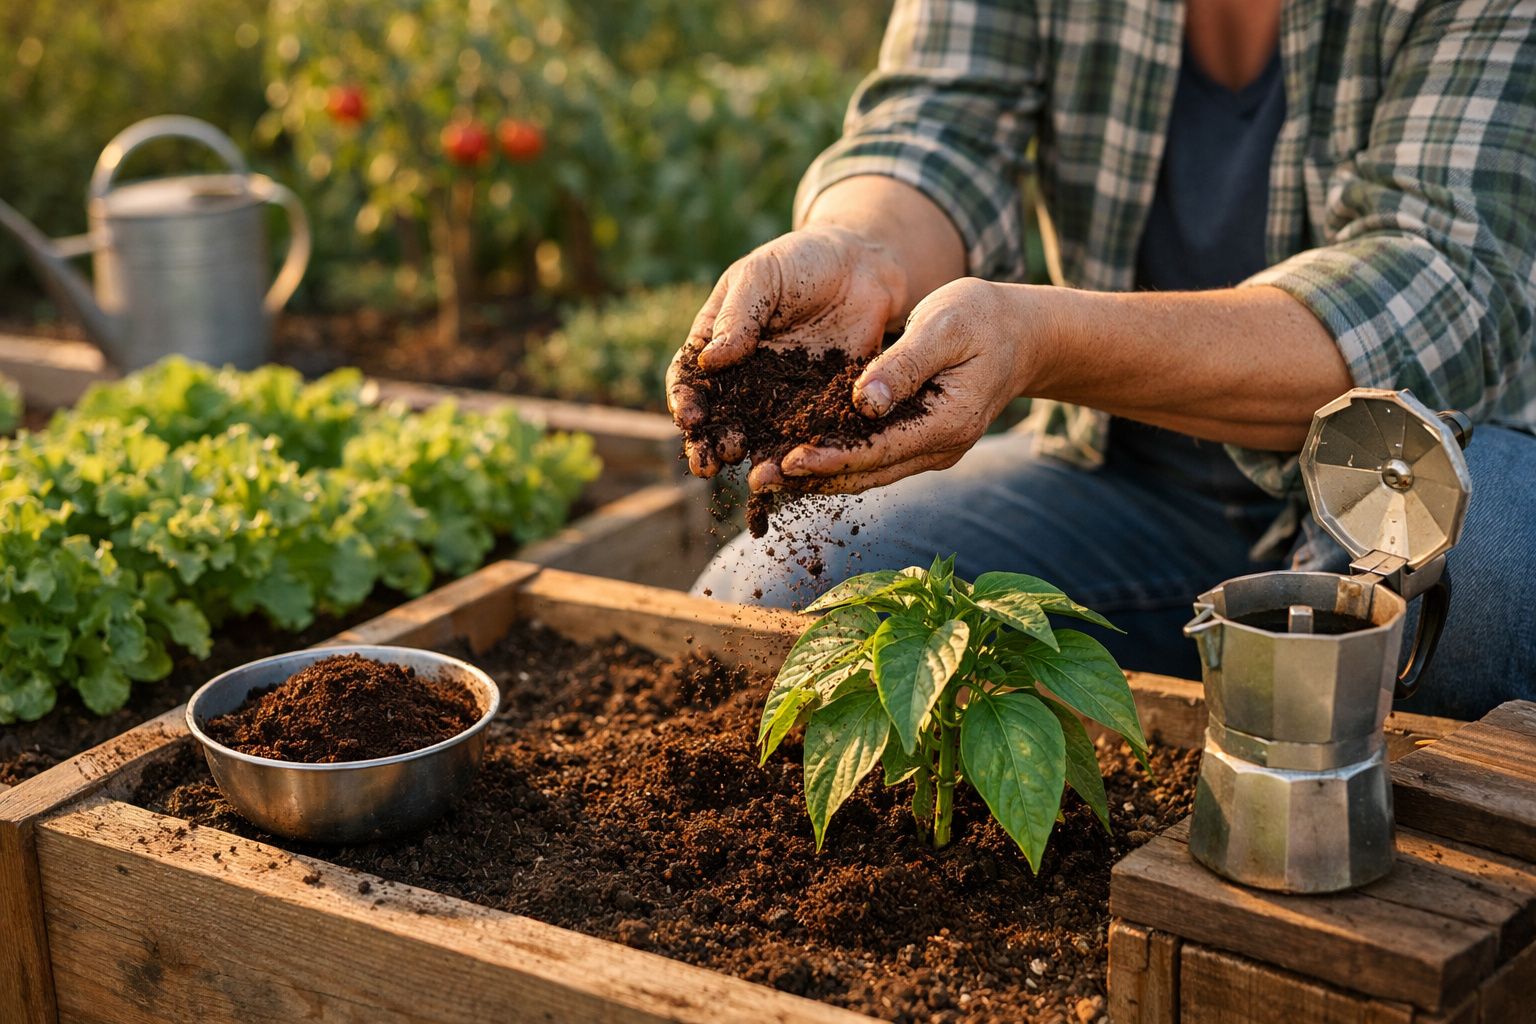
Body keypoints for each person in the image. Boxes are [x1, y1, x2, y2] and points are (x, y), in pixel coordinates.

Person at [670, 0, 1536, 721]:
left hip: (1401, 490)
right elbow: (938, 127)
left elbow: (1438, 281)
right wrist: (862, 251)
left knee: (1477, 583)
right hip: (1122, 480)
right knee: (772, 598)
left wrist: (1040, 341)